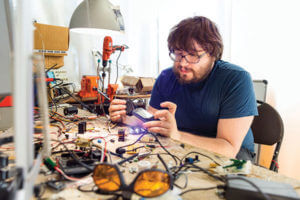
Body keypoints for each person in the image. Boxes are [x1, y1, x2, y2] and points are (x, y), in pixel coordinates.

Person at [109, 16, 258, 161]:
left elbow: (228, 149)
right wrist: (125, 117)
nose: (183, 64)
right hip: (180, 147)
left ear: (213, 54)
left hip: (233, 159)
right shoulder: (166, 77)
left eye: (193, 55)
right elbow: (152, 124)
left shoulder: (236, 79)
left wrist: (177, 135)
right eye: (178, 54)